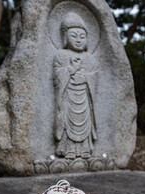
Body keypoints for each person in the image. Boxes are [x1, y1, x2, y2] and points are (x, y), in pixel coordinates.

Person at [53, 12, 97, 160]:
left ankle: (85, 149)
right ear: (65, 37)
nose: (78, 40)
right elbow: (56, 77)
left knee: (85, 121)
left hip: (84, 95)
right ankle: (68, 150)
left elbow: (95, 77)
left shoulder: (90, 58)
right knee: (68, 121)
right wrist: (71, 69)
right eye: (74, 36)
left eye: (82, 37)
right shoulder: (61, 55)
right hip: (68, 95)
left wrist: (85, 78)